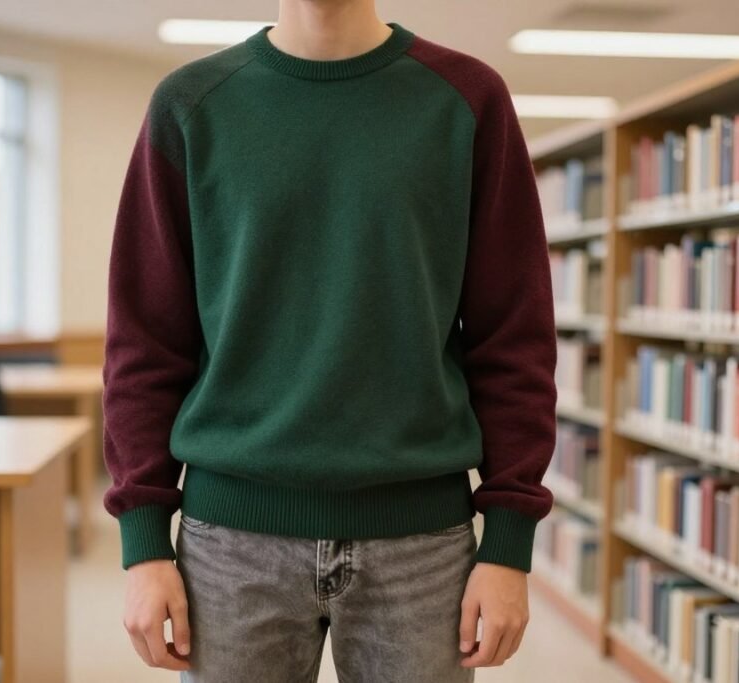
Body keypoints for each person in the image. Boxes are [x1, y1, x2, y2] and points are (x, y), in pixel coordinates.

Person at [101, 0, 557, 680]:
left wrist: (509, 542)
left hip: (421, 546)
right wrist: (143, 545)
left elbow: (513, 336)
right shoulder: (190, 104)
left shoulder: (467, 100)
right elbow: (144, 343)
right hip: (232, 545)